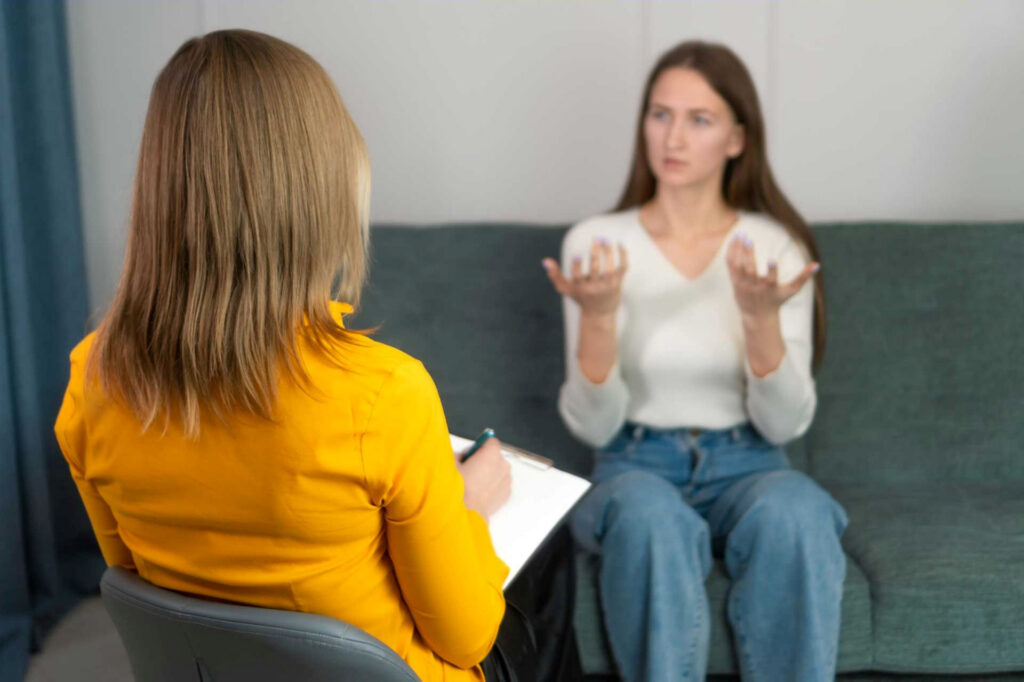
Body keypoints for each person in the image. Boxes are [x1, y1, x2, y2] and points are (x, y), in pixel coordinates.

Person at [54, 29, 576, 682]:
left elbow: (137, 582)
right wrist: (467, 505)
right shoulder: (385, 393)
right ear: (320, 194)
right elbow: (466, 638)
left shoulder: (91, 379)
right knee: (550, 553)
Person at [542, 40, 849, 682]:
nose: (673, 137)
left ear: (737, 138)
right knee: (651, 520)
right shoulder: (597, 244)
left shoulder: (773, 248)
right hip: (633, 464)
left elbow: (785, 425)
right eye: (660, 114)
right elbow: (595, 428)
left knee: (800, 513)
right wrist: (598, 317)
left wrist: (759, 319)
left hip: (751, 463)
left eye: (699, 119)